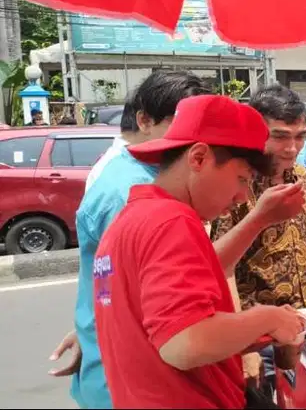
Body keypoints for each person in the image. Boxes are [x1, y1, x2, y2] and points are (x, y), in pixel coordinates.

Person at [92, 95, 306, 408]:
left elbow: (160, 324)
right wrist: (266, 316)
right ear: (198, 158)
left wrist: (260, 331)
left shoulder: (130, 221)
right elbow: (184, 343)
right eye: (241, 179)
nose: (240, 196)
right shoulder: (172, 220)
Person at [50, 71, 216, 409]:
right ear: (144, 120)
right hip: (132, 379)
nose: (195, 140)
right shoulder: (130, 192)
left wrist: (90, 325)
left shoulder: (136, 172)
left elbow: (110, 278)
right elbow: (158, 303)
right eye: (181, 124)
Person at [209, 86, 306, 396]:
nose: (292, 147)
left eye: (299, 136)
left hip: (305, 321)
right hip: (258, 331)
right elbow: (223, 268)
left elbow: (305, 241)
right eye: (280, 136)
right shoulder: (236, 182)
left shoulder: (301, 175)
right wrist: (243, 347)